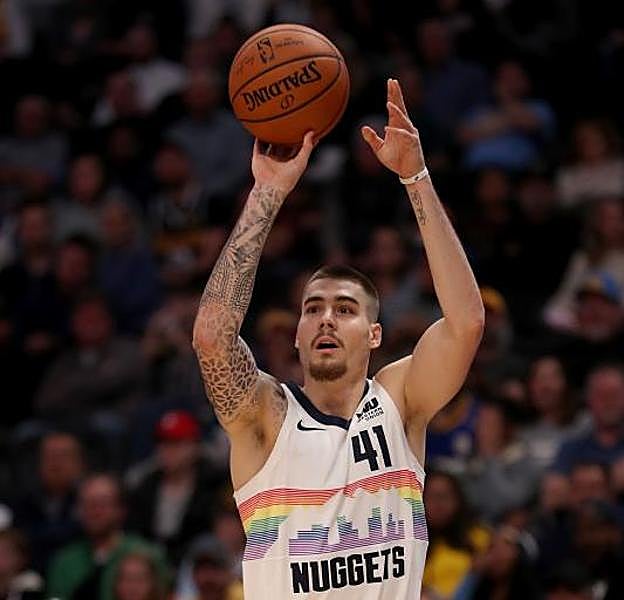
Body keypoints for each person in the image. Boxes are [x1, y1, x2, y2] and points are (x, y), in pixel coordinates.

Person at [192, 79, 484, 598]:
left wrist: (415, 177)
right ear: (297, 335)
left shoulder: (399, 400)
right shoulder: (267, 416)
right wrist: (266, 194)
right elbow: (212, 340)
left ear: (374, 334)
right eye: (313, 309)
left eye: (344, 309)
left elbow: (466, 323)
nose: (326, 319)